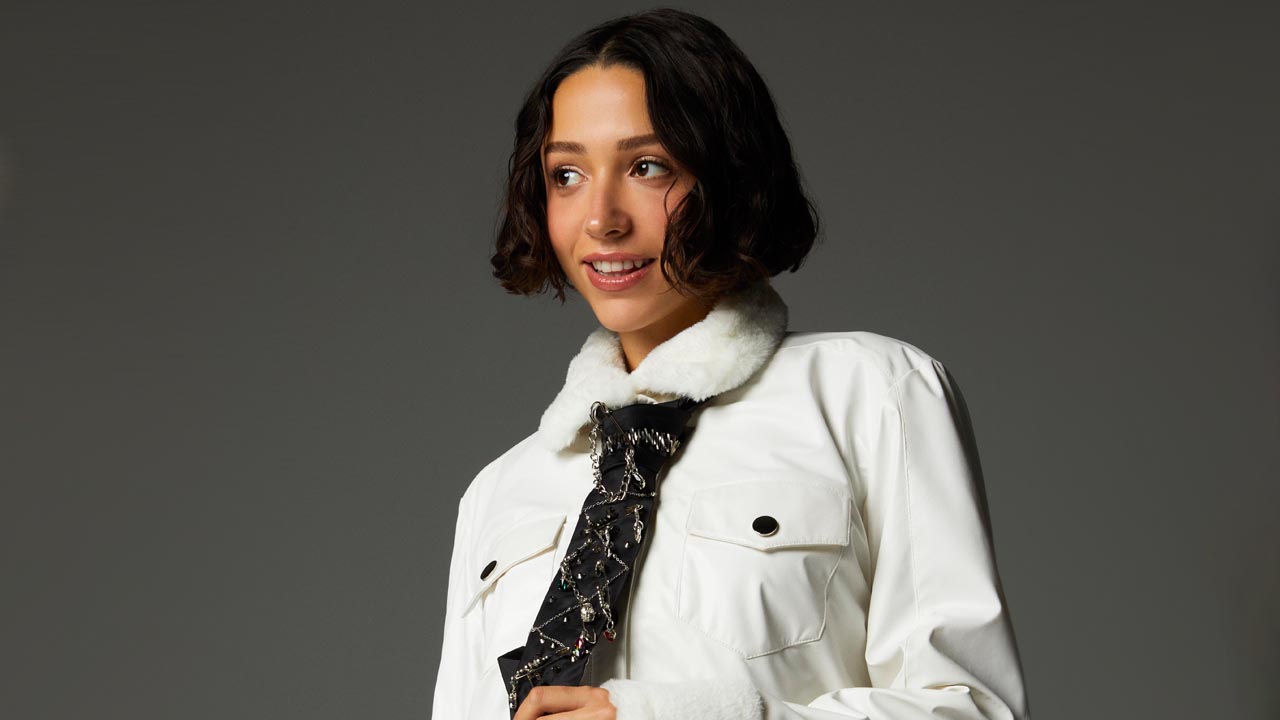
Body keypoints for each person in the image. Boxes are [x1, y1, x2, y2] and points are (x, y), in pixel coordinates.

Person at [432, 8, 1030, 720]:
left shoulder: (872, 393)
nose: (601, 218)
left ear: (728, 176)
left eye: (647, 166)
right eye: (567, 174)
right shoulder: (498, 492)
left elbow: (973, 709)